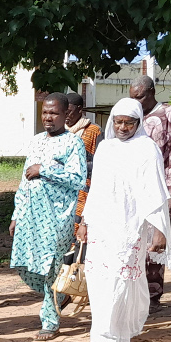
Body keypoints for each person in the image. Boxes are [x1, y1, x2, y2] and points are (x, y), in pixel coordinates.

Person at [77, 98, 171, 342]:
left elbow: (155, 193)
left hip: (131, 224)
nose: (123, 127)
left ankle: (113, 334)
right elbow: (95, 188)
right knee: (99, 278)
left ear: (138, 123)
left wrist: (159, 231)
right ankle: (112, 330)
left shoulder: (147, 149)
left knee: (122, 275)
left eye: (129, 122)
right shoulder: (105, 148)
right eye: (118, 122)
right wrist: (85, 221)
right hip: (102, 223)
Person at [7, 93, 87, 340]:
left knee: (52, 266)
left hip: (58, 218)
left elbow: (78, 178)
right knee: (28, 264)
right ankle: (58, 295)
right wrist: (16, 214)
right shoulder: (36, 141)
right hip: (31, 218)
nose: (48, 118)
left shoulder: (73, 144)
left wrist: (45, 170)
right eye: (44, 112)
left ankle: (50, 320)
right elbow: (24, 181)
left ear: (66, 115)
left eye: (54, 113)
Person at [129, 75, 171, 307]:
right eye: (133, 97)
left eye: (140, 97)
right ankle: (134, 292)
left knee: (158, 241)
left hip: (161, 188)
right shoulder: (132, 116)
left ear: (152, 92)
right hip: (134, 190)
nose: (137, 101)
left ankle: (153, 294)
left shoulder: (169, 114)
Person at [65, 91, 103, 235]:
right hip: (63, 189)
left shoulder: (94, 131)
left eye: (69, 111)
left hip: (84, 190)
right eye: (64, 112)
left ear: (80, 109)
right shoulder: (60, 132)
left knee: (79, 227)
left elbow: (100, 163)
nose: (66, 115)